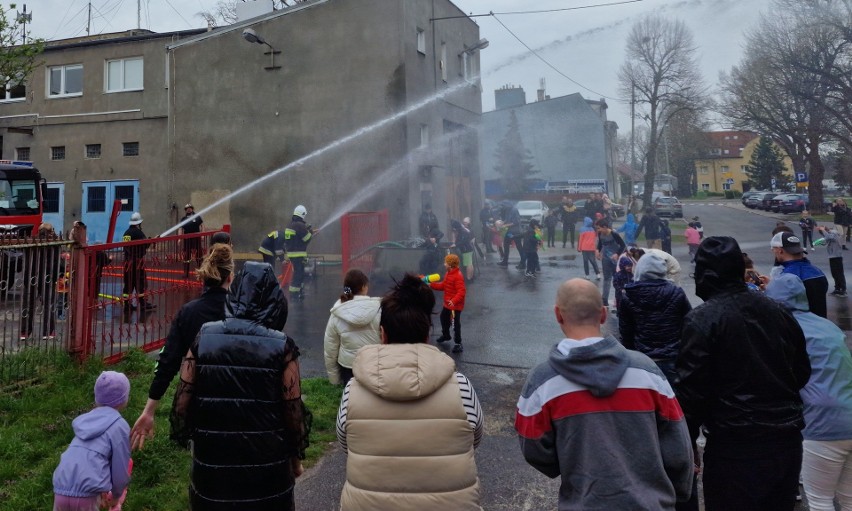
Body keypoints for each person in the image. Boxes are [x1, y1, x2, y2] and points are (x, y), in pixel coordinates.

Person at [515, 278, 693, 510]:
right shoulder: (647, 371)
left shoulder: (543, 381)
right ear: (603, 314)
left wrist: (570, 460)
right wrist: (676, 495)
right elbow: (678, 445)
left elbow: (534, 448)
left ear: (558, 314)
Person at [677, 236, 811, 511]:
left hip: (735, 445)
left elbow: (691, 392)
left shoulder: (703, 319)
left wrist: (685, 441)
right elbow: (802, 371)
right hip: (785, 440)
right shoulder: (778, 311)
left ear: (706, 275)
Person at [336, 273, 483, 510]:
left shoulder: (352, 391)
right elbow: (473, 439)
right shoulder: (461, 387)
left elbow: (346, 443)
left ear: (383, 334)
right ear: (427, 335)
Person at [179, 261, 310, 510]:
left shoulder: (204, 335)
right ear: (273, 300)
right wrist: (295, 461)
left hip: (212, 470)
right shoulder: (282, 346)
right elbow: (293, 412)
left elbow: (183, 399)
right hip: (267, 470)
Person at [130, 243, 232, 450]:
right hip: (238, 401)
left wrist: (149, 410)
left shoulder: (188, 313)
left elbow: (168, 361)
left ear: (203, 278)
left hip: (199, 401)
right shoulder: (241, 311)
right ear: (230, 278)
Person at [765, 274, 852, 511]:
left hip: (821, 423)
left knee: (820, 499)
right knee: (849, 499)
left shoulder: (783, 329)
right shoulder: (827, 326)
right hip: (849, 414)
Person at [53, 371, 132, 511]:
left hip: (60, 489)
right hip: (86, 495)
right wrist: (115, 496)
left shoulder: (85, 422)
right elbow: (120, 468)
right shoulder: (120, 426)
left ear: (97, 398)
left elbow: (89, 461)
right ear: (124, 399)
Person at [619, 251, 692, 382]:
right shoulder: (677, 293)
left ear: (639, 270)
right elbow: (689, 324)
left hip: (642, 360)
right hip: (672, 358)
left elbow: (626, 332)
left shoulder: (629, 296)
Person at [323, 268, 381, 385]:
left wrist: (334, 380)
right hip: (374, 365)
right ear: (364, 287)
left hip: (348, 368)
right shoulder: (379, 309)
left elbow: (330, 349)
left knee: (350, 399)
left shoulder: (337, 312)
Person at [771, 231, 829, 318]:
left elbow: (776, 307)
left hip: (799, 327)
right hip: (821, 325)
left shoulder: (786, 277)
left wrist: (771, 287)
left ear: (780, 251)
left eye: (773, 250)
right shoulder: (818, 271)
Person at [20, 222, 61, 340]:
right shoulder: (54, 243)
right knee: (49, 304)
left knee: (28, 305)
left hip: (31, 277)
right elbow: (57, 261)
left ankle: (25, 332)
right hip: (47, 277)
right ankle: (48, 332)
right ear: (50, 232)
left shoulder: (30, 242)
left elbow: (26, 260)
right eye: (52, 231)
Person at [431, 253, 466, 353]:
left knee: (455, 324)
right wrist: (431, 285)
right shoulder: (448, 274)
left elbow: (462, 292)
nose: (444, 264)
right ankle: (446, 335)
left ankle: (458, 343)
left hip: (455, 306)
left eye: (445, 262)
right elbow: (443, 286)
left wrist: (453, 301)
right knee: (443, 318)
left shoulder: (458, 276)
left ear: (450, 265)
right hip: (448, 304)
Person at [121, 212, 154, 316]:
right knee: (141, 283)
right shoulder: (139, 233)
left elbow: (126, 247)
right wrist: (150, 241)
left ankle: (127, 305)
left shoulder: (126, 233)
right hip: (138, 263)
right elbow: (144, 245)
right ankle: (143, 304)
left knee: (128, 285)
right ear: (139, 223)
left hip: (127, 263)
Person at [284, 204, 318, 300]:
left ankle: (299, 290)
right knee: (298, 273)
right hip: (298, 254)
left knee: (299, 272)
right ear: (302, 214)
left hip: (291, 253)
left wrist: (310, 232)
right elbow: (306, 239)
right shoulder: (300, 225)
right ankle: (294, 294)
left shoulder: (290, 224)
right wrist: (310, 232)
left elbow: (297, 238)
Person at [595, 218, 626, 309]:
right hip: (606, 259)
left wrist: (617, 254)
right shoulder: (600, 233)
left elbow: (623, 245)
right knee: (607, 279)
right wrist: (597, 251)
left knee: (617, 280)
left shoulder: (614, 234)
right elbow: (600, 243)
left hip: (615, 260)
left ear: (605, 227)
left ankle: (618, 299)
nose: (598, 230)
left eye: (599, 228)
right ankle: (604, 300)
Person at [815, 225, 847, 297]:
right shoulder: (829, 234)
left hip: (837, 256)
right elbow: (826, 240)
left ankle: (843, 289)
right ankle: (837, 288)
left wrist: (823, 230)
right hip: (832, 256)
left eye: (822, 232)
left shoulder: (834, 232)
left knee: (839, 273)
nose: (823, 233)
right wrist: (819, 242)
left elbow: (830, 237)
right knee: (834, 274)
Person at [179, 203, 204, 279]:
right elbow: (180, 228)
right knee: (187, 256)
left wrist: (202, 235)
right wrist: (180, 238)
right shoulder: (183, 219)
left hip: (196, 238)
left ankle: (201, 272)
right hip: (187, 239)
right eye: (187, 208)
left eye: (190, 208)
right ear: (185, 210)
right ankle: (186, 273)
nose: (189, 209)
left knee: (199, 255)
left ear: (192, 209)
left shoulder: (197, 217)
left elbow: (202, 225)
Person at [497, 202, 524, 269]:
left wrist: (505, 225)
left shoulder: (514, 210)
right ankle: (505, 261)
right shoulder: (507, 210)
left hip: (516, 232)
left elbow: (516, 221)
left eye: (504, 206)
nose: (503, 208)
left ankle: (523, 263)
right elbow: (507, 220)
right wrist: (502, 222)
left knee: (519, 247)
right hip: (509, 232)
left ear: (508, 205)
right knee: (506, 245)